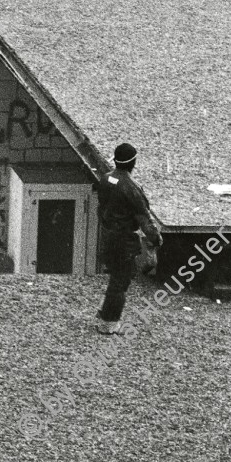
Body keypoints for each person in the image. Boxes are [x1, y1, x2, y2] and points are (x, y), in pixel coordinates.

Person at [93, 143, 162, 335]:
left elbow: (101, 209)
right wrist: (156, 239)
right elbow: (144, 219)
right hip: (124, 241)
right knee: (121, 281)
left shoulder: (106, 179)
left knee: (116, 277)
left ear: (115, 160)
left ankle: (103, 312)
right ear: (133, 162)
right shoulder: (131, 188)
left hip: (108, 236)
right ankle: (108, 323)